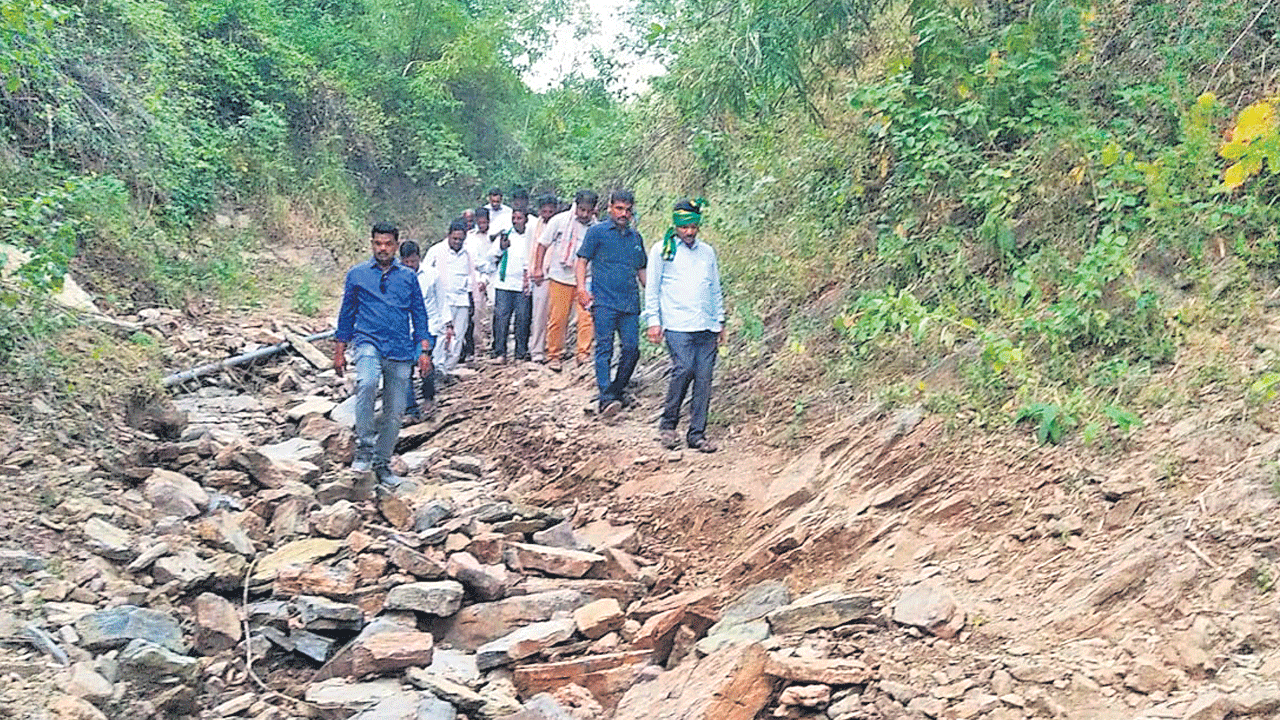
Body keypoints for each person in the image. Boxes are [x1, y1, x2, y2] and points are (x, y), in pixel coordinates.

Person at [333, 222, 432, 488]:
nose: (383, 248)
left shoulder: (408, 278)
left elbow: (419, 314)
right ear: (372, 244)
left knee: (395, 410)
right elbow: (347, 313)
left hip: (400, 348)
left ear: (396, 246)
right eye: (378, 243)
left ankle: (382, 462)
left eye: (388, 244)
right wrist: (340, 349)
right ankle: (364, 448)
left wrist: (424, 349)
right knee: (366, 383)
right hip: (368, 341)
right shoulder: (357, 274)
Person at [644, 199, 725, 452]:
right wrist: (653, 321)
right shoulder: (662, 250)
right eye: (684, 227)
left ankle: (697, 434)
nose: (689, 232)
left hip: (706, 325)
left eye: (693, 227)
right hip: (677, 323)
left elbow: (714, 288)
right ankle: (668, 424)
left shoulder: (707, 252)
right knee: (684, 368)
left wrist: (720, 320)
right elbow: (653, 288)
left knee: (704, 378)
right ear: (676, 226)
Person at [576, 190, 646, 418]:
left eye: (627, 210)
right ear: (610, 208)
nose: (623, 213)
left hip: (630, 303)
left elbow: (641, 270)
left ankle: (617, 389)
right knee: (604, 348)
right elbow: (582, 260)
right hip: (604, 301)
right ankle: (606, 397)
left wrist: (654, 295)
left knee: (632, 349)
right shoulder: (596, 232)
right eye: (619, 208)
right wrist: (581, 288)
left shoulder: (636, 238)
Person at [533, 190, 598, 372]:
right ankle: (554, 355)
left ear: (594, 210)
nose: (584, 215)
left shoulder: (596, 228)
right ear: (575, 205)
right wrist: (538, 268)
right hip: (560, 277)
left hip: (586, 279)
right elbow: (542, 244)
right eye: (582, 210)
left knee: (586, 318)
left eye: (588, 211)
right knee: (558, 318)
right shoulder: (559, 221)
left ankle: (583, 354)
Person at [424, 220, 472, 374]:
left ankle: (449, 368)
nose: (457, 242)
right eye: (455, 239)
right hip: (442, 299)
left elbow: (475, 270)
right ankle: (438, 366)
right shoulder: (436, 250)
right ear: (448, 236)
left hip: (462, 298)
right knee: (442, 334)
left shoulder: (468, 252)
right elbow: (425, 272)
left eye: (460, 239)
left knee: (459, 335)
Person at [398, 240, 439, 419]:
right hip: (404, 330)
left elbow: (441, 301)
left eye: (413, 262)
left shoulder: (432, 275)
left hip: (428, 327)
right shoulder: (394, 277)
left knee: (424, 361)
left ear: (419, 259)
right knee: (405, 367)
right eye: (406, 262)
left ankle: (428, 397)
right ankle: (411, 409)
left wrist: (446, 326)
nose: (409, 266)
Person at [488, 208, 533, 361]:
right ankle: (500, 352)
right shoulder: (505, 235)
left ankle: (521, 352)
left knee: (523, 318)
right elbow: (491, 257)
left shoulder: (532, 235)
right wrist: (502, 247)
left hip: (523, 284)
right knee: (501, 318)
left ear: (526, 219)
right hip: (504, 283)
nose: (515, 221)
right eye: (514, 218)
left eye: (519, 218)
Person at [527, 193, 558, 363]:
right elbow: (530, 249)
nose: (547, 215)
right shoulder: (534, 226)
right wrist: (532, 271)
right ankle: (537, 351)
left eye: (550, 212)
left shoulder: (561, 223)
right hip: (540, 275)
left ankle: (554, 349)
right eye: (544, 212)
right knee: (539, 315)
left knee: (557, 315)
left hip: (558, 273)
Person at [462, 207, 494, 362]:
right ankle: (475, 347)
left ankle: (490, 345)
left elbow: (492, 260)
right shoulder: (470, 237)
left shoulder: (494, 236)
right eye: (478, 222)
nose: (481, 225)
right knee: (475, 313)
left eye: (484, 222)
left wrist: (485, 279)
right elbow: (472, 261)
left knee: (492, 310)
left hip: (492, 275)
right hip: (474, 279)